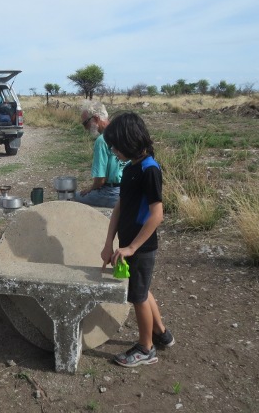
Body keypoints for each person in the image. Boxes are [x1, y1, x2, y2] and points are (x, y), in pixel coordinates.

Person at [100, 112, 174, 367]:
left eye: (115, 145)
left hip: (142, 248)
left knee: (138, 297)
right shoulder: (131, 168)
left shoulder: (149, 169)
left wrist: (132, 247)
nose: (112, 149)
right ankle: (162, 333)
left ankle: (146, 348)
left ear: (129, 141)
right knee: (143, 289)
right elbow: (120, 207)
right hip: (129, 246)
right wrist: (109, 243)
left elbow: (157, 214)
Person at [74, 101, 125, 208]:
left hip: (113, 192)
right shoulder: (123, 131)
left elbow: (100, 180)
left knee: (73, 197)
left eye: (85, 123)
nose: (85, 128)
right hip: (129, 189)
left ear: (96, 118)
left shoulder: (102, 140)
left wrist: (91, 189)